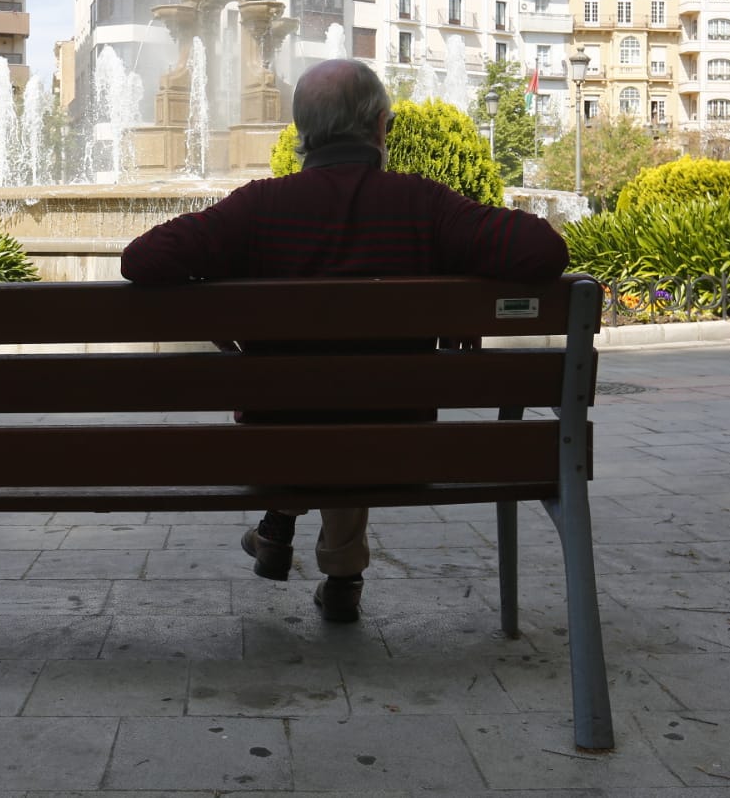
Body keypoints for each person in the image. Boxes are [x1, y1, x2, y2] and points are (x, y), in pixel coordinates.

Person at [119, 58, 569, 622]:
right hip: (399, 446)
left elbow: (141, 260)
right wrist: (463, 287)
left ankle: (280, 526)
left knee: (313, 399)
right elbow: (544, 251)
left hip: (272, 444)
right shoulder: (423, 206)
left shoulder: (259, 207)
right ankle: (339, 575)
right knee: (359, 403)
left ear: (301, 132)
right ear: (381, 126)